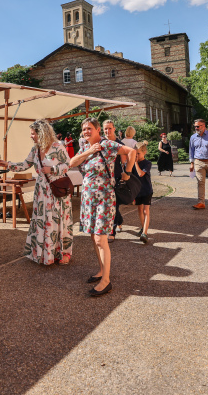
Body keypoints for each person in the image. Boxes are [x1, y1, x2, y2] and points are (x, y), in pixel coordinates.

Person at [70, 118, 136, 297]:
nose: (86, 132)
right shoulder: (85, 147)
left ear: (98, 129)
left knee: (100, 239)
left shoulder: (107, 144)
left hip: (104, 199)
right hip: (88, 198)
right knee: (93, 237)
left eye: (90, 128)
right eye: (84, 129)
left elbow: (131, 152)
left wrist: (127, 173)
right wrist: (89, 151)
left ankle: (106, 281)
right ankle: (101, 271)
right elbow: (72, 162)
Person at [0, 120, 73, 265]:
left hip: (56, 190)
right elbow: (24, 165)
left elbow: (68, 165)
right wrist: (8, 164)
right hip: (41, 192)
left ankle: (62, 253)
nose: (31, 136)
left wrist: (52, 170)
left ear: (41, 133)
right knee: (42, 220)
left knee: (57, 220)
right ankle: (44, 254)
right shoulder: (35, 149)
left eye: (33, 133)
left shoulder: (58, 146)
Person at [103, 120, 125, 241]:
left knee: (113, 205)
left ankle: (112, 231)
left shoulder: (119, 144)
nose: (107, 131)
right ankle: (120, 220)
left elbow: (124, 161)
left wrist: (126, 174)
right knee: (107, 205)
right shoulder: (101, 142)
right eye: (105, 129)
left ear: (114, 128)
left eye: (109, 128)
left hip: (115, 177)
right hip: (103, 178)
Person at [133, 141, 153, 244]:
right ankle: (142, 228)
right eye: (135, 153)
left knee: (146, 211)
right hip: (137, 191)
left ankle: (144, 233)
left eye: (138, 153)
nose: (136, 156)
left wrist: (135, 162)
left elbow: (141, 174)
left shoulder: (147, 163)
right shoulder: (132, 163)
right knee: (140, 210)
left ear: (144, 152)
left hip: (146, 190)